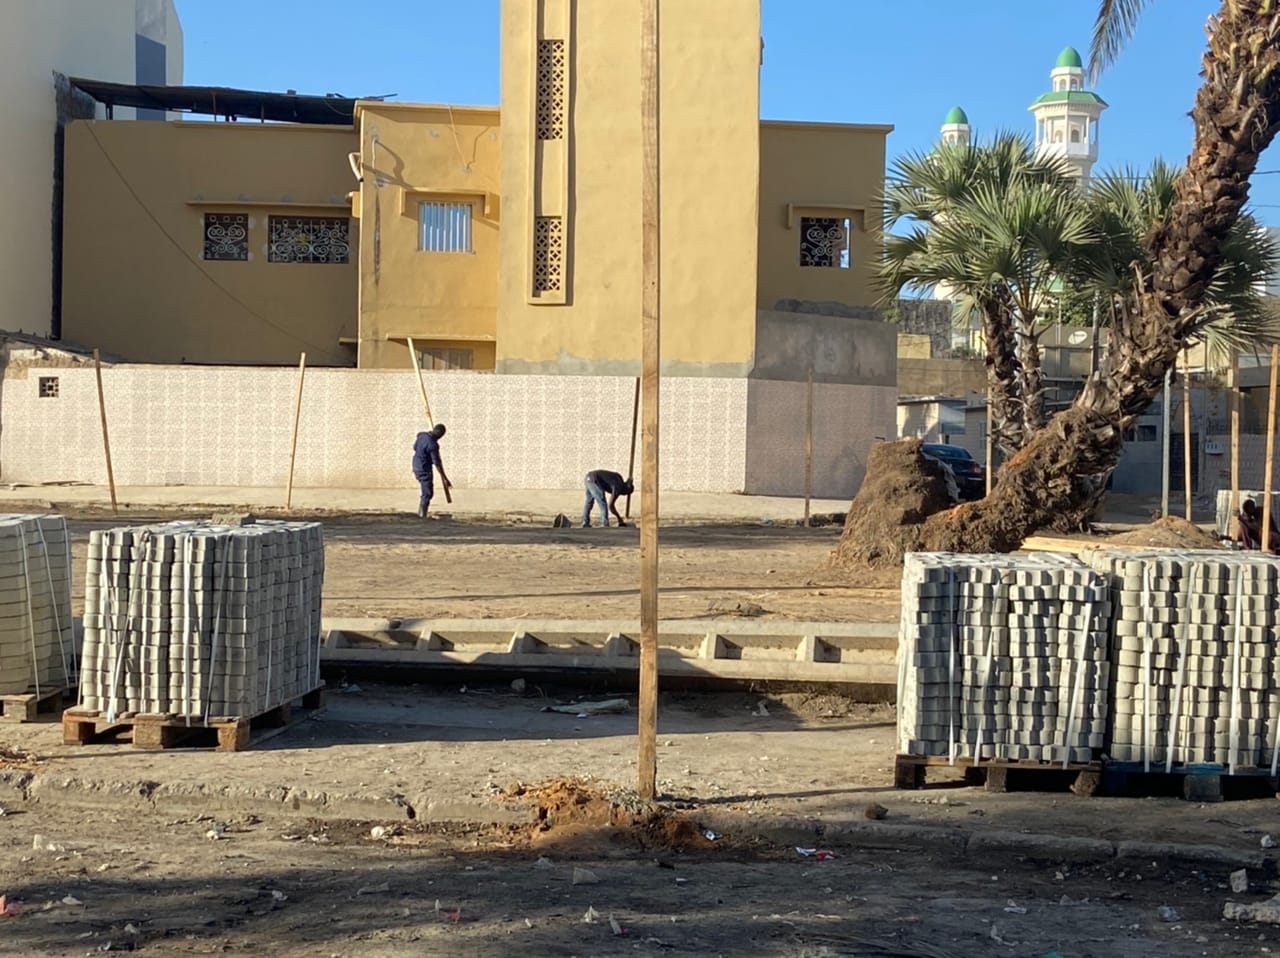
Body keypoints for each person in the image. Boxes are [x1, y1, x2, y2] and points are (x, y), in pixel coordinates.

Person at [411, 424, 451, 519]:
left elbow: (415, 447)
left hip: (416, 466)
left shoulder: (422, 436)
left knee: (426, 492)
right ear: (440, 436)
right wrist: (444, 478)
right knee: (428, 493)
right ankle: (422, 515)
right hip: (424, 469)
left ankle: (421, 512)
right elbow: (437, 463)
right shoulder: (433, 445)